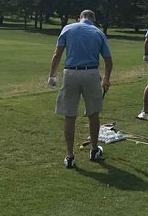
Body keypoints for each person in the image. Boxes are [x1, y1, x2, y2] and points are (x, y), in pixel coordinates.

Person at [47, 10, 113, 169]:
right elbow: (108, 60)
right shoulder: (98, 33)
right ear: (93, 20)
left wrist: (52, 76)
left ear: (79, 18)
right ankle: (94, 150)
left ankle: (70, 156)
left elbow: (57, 55)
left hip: (70, 73)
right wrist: (106, 79)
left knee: (70, 116)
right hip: (91, 73)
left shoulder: (68, 29)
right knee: (93, 114)